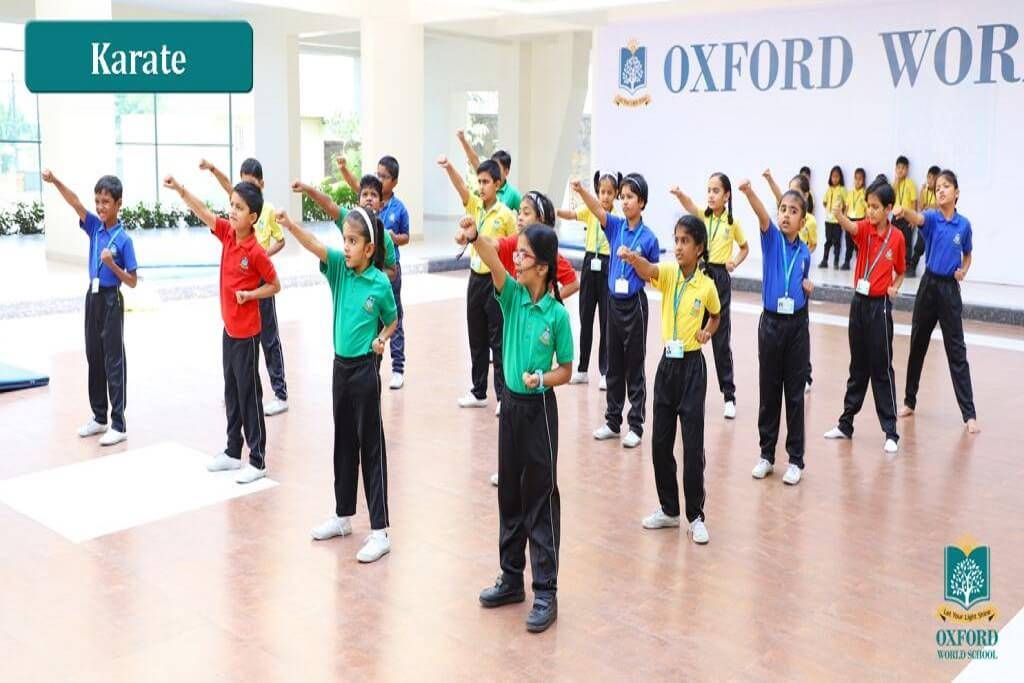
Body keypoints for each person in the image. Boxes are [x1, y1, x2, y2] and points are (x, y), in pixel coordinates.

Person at [456, 217, 573, 634]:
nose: (516, 259)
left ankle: (545, 589)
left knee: (540, 497)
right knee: (510, 493)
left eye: (524, 254)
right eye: (517, 252)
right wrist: (474, 237)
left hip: (540, 409)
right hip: (511, 410)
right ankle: (510, 577)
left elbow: (566, 368)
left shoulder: (556, 315)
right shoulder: (511, 298)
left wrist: (542, 379)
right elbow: (492, 259)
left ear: (543, 267)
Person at [281, 205, 399, 562]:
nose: (345, 247)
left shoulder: (379, 283)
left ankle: (379, 531)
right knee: (343, 442)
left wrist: (382, 338)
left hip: (365, 370)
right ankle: (343, 515)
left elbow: (392, 321)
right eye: (344, 240)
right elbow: (316, 245)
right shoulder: (339, 271)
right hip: (340, 369)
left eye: (353, 241)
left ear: (369, 249)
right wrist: (290, 225)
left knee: (371, 446)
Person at [164, 174, 281, 484]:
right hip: (228, 330)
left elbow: (275, 284)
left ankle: (257, 460)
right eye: (232, 205)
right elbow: (203, 211)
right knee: (231, 391)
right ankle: (232, 451)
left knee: (249, 394)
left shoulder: (256, 252)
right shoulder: (228, 234)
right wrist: (181, 189)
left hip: (247, 334)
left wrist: (251, 294)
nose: (232, 211)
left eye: (239, 208)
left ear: (253, 217)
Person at [621, 215, 721, 544]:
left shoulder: (706, 286)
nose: (678, 247)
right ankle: (669, 509)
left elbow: (716, 315)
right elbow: (649, 270)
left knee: (692, 446)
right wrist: (634, 259)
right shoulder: (668, 274)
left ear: (699, 248)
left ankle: (696, 515)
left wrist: (707, 330)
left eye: (684, 242)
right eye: (675, 240)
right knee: (660, 442)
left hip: (693, 368)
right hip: (667, 366)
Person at [42, 169, 137, 447]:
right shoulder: (95, 226)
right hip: (92, 298)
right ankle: (99, 417)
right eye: (97, 201)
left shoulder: (123, 240)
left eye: (106, 202)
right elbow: (74, 203)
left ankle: (119, 424)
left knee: (113, 359)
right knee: (94, 355)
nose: (100, 207)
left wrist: (111, 264)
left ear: (119, 204)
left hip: (111, 299)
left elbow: (132, 281)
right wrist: (56, 180)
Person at [571, 174, 660, 449]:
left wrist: (635, 259)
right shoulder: (616, 227)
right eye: (622, 197)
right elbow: (598, 209)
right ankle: (612, 421)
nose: (624, 201)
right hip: (613, 302)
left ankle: (636, 424)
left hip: (634, 305)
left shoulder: (648, 237)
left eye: (630, 197)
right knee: (614, 364)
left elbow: (654, 274)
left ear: (642, 202)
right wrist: (581, 190)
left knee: (634, 365)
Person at [199, 158, 289, 415]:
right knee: (241, 340)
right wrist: (214, 169)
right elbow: (228, 187)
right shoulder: (238, 209)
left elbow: (280, 241)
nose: (244, 188)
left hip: (259, 276)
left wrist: (262, 256)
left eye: (251, 183)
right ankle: (238, 391)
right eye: (242, 182)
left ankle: (280, 392)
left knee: (269, 337)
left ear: (261, 184)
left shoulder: (267, 210)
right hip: (243, 278)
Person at [823, 175, 906, 453]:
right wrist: (838, 214)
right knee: (857, 366)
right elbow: (849, 225)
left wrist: (894, 287)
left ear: (889, 208)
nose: (870, 211)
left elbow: (902, 271)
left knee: (881, 368)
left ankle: (891, 432)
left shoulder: (897, 238)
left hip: (880, 307)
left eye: (875, 207)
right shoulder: (864, 230)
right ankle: (846, 424)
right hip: (858, 303)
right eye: (868, 206)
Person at [895, 170, 980, 434]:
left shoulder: (963, 225)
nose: (941, 190)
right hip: (929, 286)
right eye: (939, 186)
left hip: (949, 291)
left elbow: (968, 254)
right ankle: (909, 400)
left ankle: (969, 414)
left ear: (956, 193)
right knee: (917, 343)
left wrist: (964, 270)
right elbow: (917, 217)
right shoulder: (931, 218)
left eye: (946, 186)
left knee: (957, 350)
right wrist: (903, 209)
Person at [743, 178, 814, 486]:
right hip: (770, 324)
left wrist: (807, 289)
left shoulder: (805, 254)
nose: (786, 215)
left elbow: (802, 285)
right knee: (769, 391)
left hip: (796, 327)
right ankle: (766, 455)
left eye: (793, 211)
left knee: (794, 394)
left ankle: (796, 460)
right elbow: (761, 215)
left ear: (803, 219)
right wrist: (748, 193)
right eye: (782, 209)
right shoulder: (770, 239)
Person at [438, 154, 517, 415]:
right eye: (479, 181)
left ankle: (504, 395)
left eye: (486, 182)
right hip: (475, 278)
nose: (481, 186)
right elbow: (461, 187)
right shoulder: (475, 207)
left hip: (496, 280)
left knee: (498, 339)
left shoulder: (505, 215)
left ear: (498, 183)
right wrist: (449, 167)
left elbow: (515, 247)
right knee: (477, 336)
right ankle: (479, 390)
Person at [670, 173, 748, 419]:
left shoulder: (732, 222)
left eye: (716, 191)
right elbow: (691, 206)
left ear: (726, 196)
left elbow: (745, 247)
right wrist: (680, 194)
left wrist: (734, 261)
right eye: (709, 190)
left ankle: (729, 395)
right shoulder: (703, 216)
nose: (711, 195)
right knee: (690, 330)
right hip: (701, 274)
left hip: (720, 278)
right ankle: (684, 390)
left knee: (720, 338)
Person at [337, 155, 411, 389]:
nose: (379, 179)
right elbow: (355, 185)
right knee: (371, 323)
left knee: (393, 319)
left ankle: (398, 367)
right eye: (378, 174)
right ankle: (373, 364)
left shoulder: (398, 209)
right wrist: (343, 168)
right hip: (367, 278)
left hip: (388, 276)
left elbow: (406, 237)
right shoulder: (362, 215)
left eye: (384, 176)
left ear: (394, 181)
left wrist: (392, 237)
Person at [557, 171, 620, 389]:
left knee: (605, 321)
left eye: (610, 193)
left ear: (616, 194)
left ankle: (605, 371)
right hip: (588, 264)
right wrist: (552, 210)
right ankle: (582, 369)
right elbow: (570, 214)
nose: (605, 196)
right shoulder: (589, 211)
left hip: (606, 265)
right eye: (602, 192)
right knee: (585, 319)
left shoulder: (616, 217)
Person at [456, 130, 521, 211]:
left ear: (506, 172)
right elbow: (474, 160)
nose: (493, 170)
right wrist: (463, 140)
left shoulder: (513, 194)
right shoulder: (485, 178)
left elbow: (524, 213)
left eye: (497, 168)